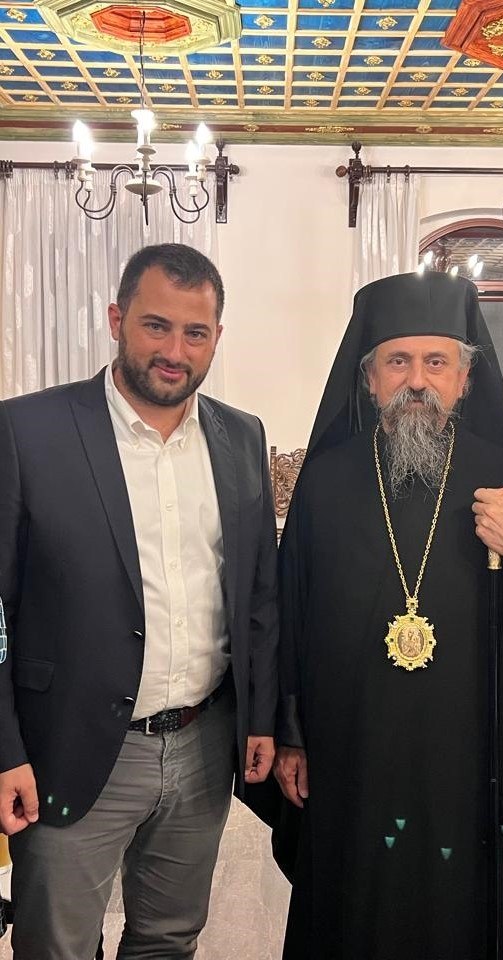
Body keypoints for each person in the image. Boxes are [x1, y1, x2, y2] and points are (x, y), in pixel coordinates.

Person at [0, 243, 279, 959]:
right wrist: (3, 751)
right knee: (57, 945)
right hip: (65, 745)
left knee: (168, 938)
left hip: (202, 743)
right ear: (117, 320)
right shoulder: (26, 432)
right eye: (156, 326)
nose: (174, 351)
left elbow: (256, 594)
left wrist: (260, 716)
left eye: (195, 332)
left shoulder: (241, 436)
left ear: (217, 336)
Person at [272, 270, 503, 960]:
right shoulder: (325, 482)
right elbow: (290, 612)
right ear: (369, 379)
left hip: (463, 751)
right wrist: (292, 736)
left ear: (465, 378)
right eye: (398, 361)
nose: (417, 381)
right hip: (348, 746)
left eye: (436, 362)